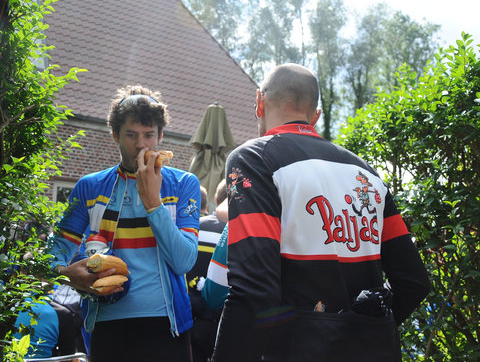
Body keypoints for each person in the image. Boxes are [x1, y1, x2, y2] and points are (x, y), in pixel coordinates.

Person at [211, 64, 430, 362]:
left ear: (260, 103)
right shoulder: (365, 172)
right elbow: (414, 282)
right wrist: (364, 331)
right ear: (315, 116)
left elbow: (253, 289)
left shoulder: (253, 159)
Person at [48, 85, 201, 362]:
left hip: (167, 326)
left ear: (161, 136)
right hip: (107, 324)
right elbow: (53, 254)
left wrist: (152, 202)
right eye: (131, 135)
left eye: (149, 135)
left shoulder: (183, 184)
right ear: (115, 135)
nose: (141, 144)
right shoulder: (89, 187)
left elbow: (183, 263)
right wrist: (68, 274)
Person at [187, 180, 227, 361]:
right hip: (221, 320)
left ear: (216, 199)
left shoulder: (194, 228)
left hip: (190, 315)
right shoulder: (236, 232)